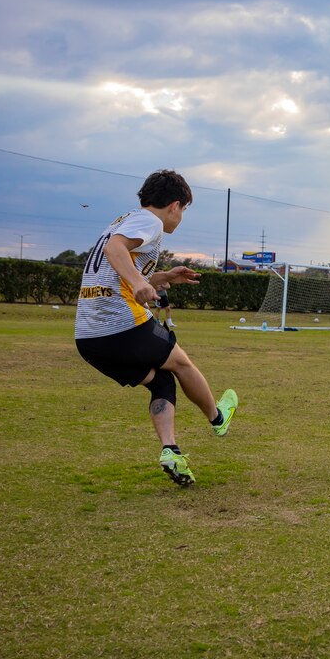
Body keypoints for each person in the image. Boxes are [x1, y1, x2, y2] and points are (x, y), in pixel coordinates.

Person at [75, 169, 237, 487]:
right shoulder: (150, 222)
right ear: (175, 205)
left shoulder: (122, 220)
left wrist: (158, 278)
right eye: (184, 210)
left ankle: (170, 451)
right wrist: (138, 283)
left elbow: (115, 267)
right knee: (181, 363)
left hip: (89, 339)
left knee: (162, 382)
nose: (181, 217)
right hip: (121, 326)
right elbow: (114, 250)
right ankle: (218, 418)